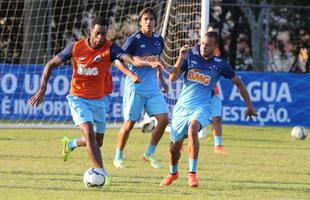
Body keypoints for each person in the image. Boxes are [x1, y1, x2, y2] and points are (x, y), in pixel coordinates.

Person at [28, 16, 163, 185]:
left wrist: (146, 63)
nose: (100, 37)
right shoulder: (76, 48)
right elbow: (50, 64)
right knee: (89, 132)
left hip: (99, 100)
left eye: (104, 34)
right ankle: (102, 173)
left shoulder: (110, 47)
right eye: (98, 33)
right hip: (78, 98)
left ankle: (70, 144)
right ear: (90, 31)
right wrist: (42, 88)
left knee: (97, 142)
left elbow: (131, 59)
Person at [160, 32, 257, 187]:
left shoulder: (220, 64)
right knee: (174, 149)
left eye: (209, 44)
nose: (205, 46)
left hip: (202, 106)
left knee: (193, 130)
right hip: (181, 108)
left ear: (216, 47)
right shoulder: (190, 57)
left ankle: (192, 174)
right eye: (203, 43)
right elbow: (172, 78)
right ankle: (173, 173)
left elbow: (238, 83)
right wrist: (180, 58)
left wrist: (249, 106)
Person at [113, 8, 169, 169]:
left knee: (164, 119)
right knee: (129, 125)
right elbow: (118, 61)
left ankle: (149, 153)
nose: (149, 22)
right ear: (140, 22)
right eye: (145, 19)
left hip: (152, 88)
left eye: (151, 19)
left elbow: (156, 61)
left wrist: (161, 80)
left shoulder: (159, 39)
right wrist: (131, 75)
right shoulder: (133, 40)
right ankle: (118, 156)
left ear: (155, 22)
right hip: (135, 88)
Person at [198, 22, 227, 154]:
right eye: (211, 31)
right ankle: (179, 142)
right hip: (200, 89)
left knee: (217, 117)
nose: (214, 34)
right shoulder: (199, 49)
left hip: (213, 88)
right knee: (193, 121)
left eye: (216, 32)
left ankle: (218, 146)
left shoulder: (219, 51)